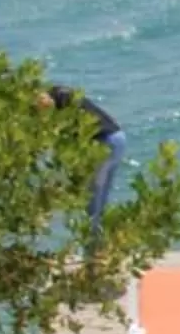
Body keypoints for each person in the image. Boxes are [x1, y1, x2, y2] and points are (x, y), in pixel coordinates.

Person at [42, 84, 127, 229]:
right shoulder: (64, 99)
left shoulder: (61, 99)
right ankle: (103, 244)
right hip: (117, 138)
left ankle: (93, 246)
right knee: (100, 200)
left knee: (93, 201)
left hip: (104, 142)